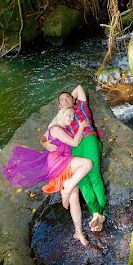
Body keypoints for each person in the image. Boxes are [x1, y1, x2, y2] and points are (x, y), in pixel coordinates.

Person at [2, 107, 92, 246]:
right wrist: (81, 127)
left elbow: (43, 138)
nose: (71, 119)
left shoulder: (57, 129)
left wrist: (44, 142)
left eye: (72, 116)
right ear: (61, 115)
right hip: (57, 162)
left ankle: (78, 232)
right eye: (69, 116)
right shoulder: (56, 128)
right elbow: (74, 142)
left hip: (61, 162)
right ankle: (67, 187)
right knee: (87, 164)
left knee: (74, 198)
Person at [44, 85, 107, 232]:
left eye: (68, 98)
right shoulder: (61, 120)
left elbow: (79, 88)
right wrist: (45, 143)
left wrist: (70, 100)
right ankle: (96, 215)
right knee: (82, 180)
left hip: (89, 138)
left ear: (73, 99)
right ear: (58, 107)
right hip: (74, 147)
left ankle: (101, 212)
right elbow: (46, 135)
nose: (66, 100)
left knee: (94, 174)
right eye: (62, 100)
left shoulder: (82, 107)